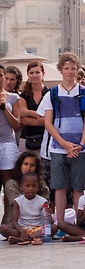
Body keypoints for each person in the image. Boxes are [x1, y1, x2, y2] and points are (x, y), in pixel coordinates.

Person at [38, 52, 85, 231]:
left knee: (78, 186)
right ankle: (61, 223)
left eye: (73, 68)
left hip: (79, 148)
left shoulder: (84, 93)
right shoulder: (52, 93)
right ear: (61, 69)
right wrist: (63, 143)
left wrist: (81, 144)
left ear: (77, 70)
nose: (70, 71)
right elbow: (48, 122)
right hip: (58, 148)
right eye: (66, 68)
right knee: (60, 187)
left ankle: (78, 224)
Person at [0, 172, 54, 245]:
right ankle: (30, 238)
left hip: (37, 229)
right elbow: (14, 221)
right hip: (22, 229)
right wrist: (22, 231)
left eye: (34, 186)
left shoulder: (43, 201)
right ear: (21, 187)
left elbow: (48, 222)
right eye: (27, 186)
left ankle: (22, 239)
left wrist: (49, 214)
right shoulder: (17, 201)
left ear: (38, 187)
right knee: (3, 228)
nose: (30, 188)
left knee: (54, 227)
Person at [2, 150, 49, 225]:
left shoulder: (41, 183)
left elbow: (45, 206)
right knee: (4, 228)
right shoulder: (11, 183)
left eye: (32, 165)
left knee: (53, 227)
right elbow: (21, 206)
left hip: (37, 223)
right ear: (20, 165)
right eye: (25, 164)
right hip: (15, 224)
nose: (28, 168)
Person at [18, 61, 49, 154]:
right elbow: (24, 120)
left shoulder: (49, 93)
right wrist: (42, 118)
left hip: (46, 137)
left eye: (37, 72)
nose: (34, 75)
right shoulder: (23, 95)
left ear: (43, 74)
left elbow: (52, 117)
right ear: (27, 74)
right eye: (31, 73)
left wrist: (28, 112)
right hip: (27, 139)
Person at [0, 64, 21, 193]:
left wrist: (4, 108)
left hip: (8, 143)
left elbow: (17, 125)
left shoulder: (13, 98)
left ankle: (9, 214)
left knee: (9, 185)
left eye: (1, 75)